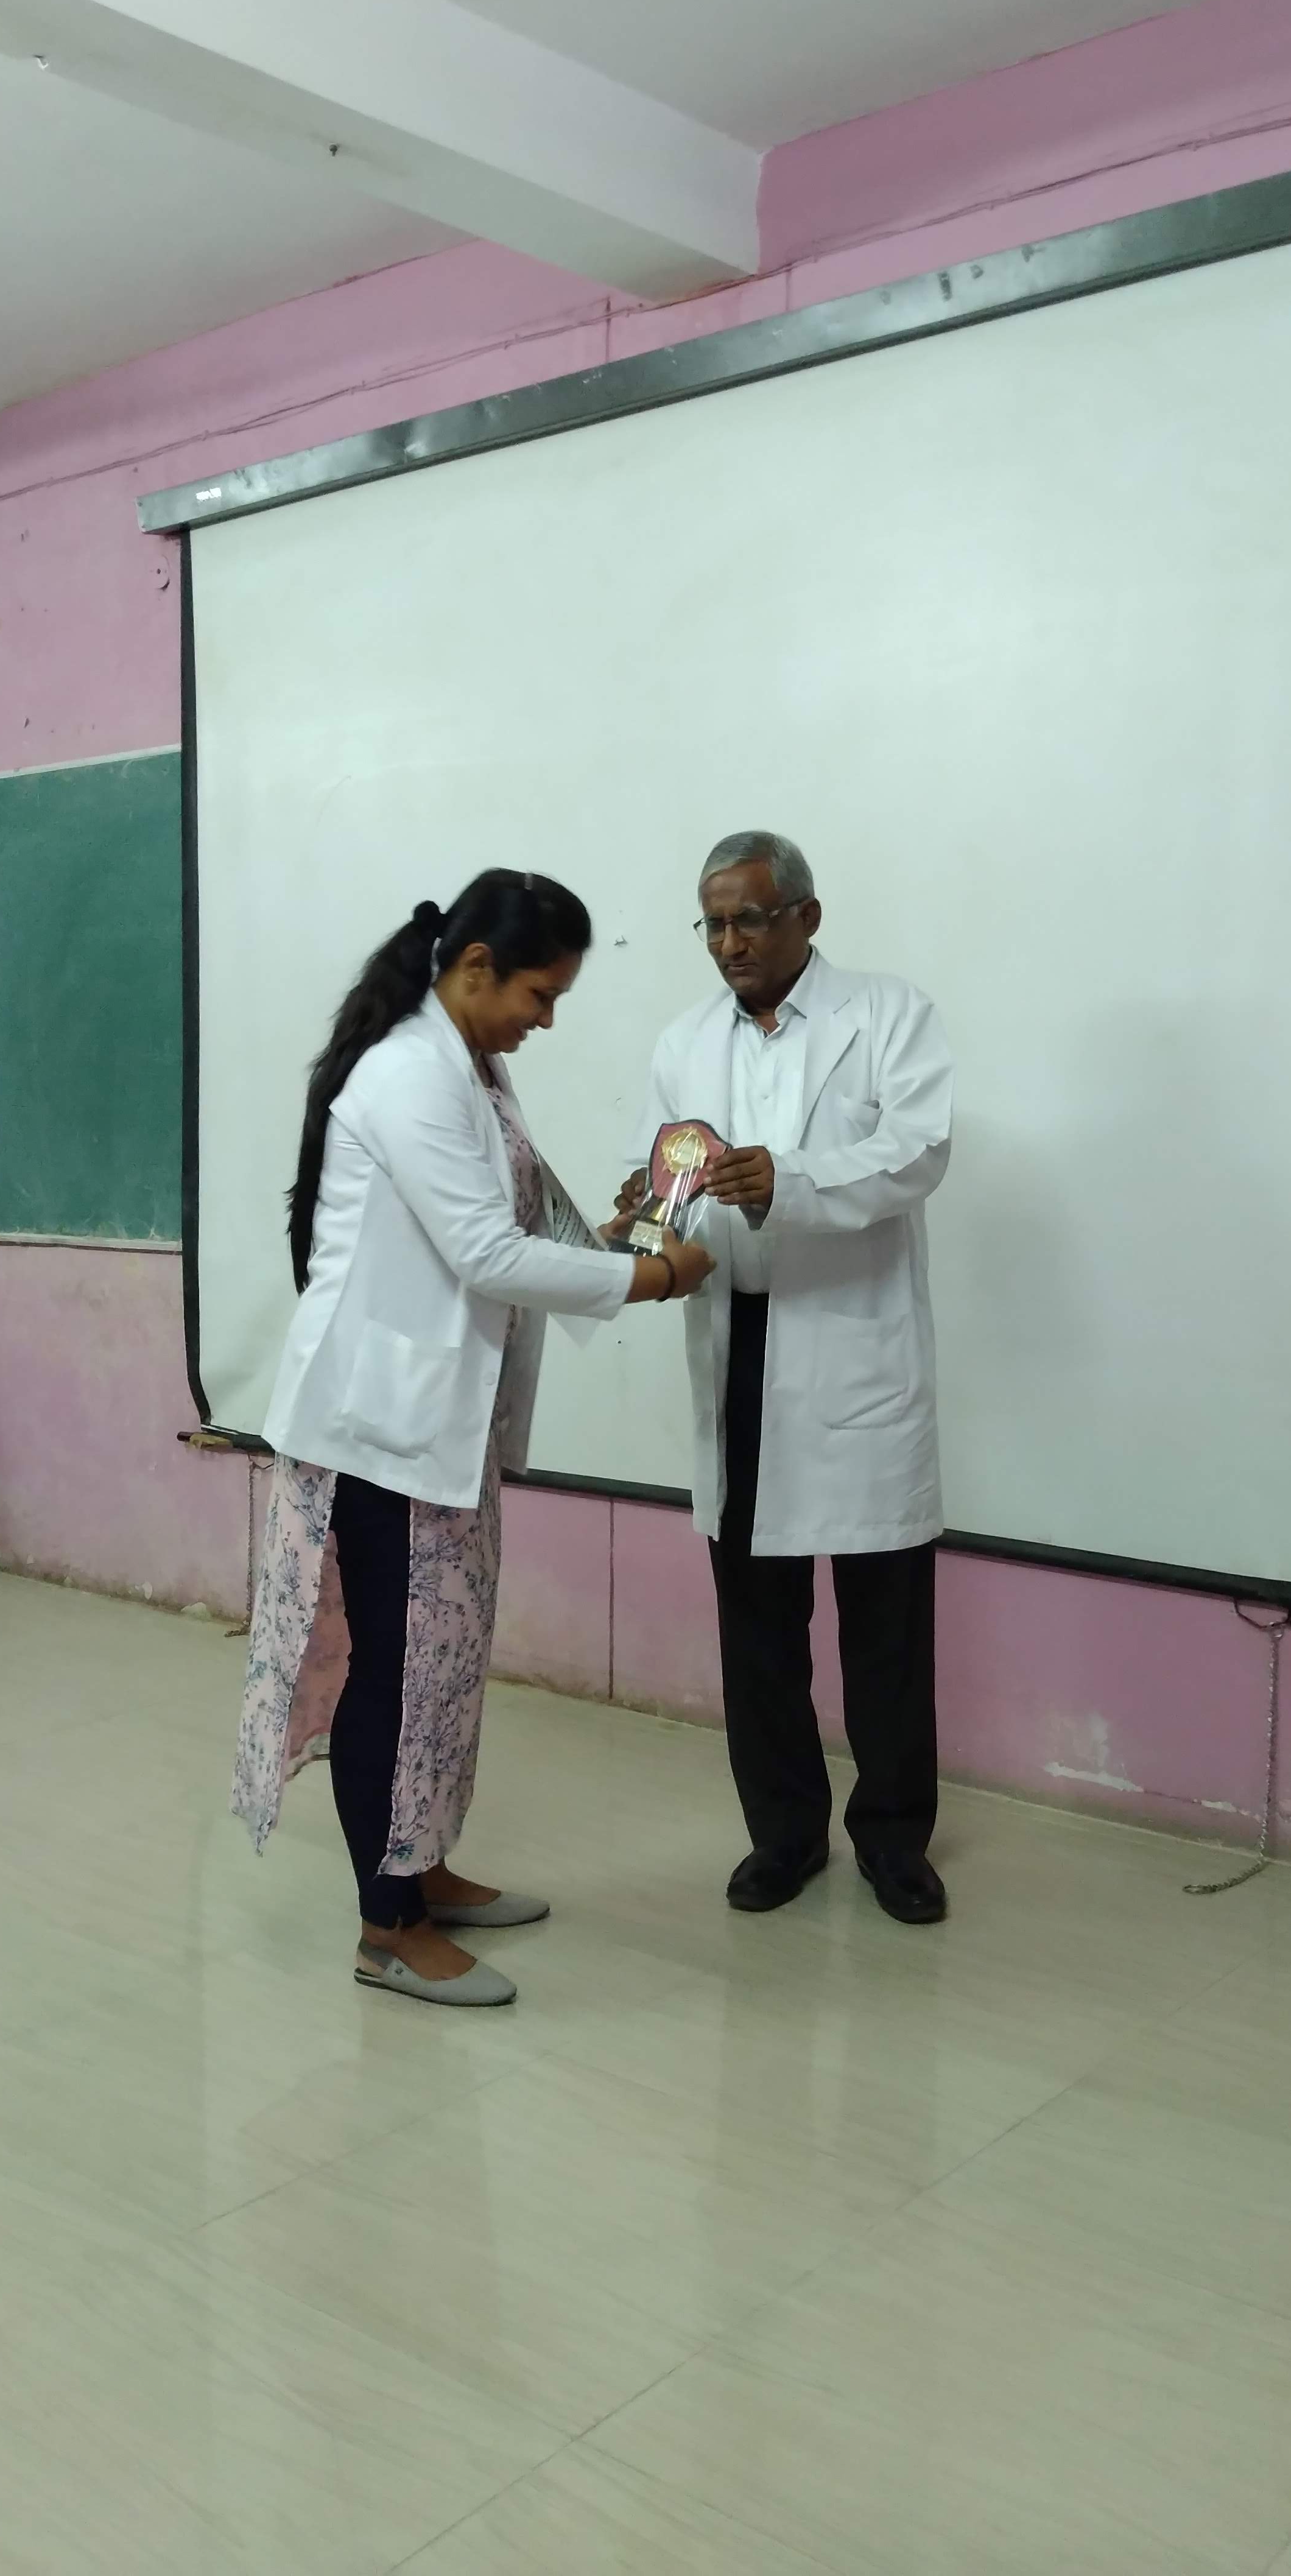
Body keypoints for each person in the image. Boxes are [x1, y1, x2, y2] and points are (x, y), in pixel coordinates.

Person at [233, 872, 712, 2007]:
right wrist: (648, 1279)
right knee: (394, 1675)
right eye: (541, 996)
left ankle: (424, 1866)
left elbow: (516, 1217)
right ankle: (386, 1927)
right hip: (376, 1432)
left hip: (438, 1427)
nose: (545, 1020)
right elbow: (487, 1255)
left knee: (442, 1665)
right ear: (477, 967)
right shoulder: (410, 1073)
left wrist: (624, 1231)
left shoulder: (474, 1068)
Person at [624, 831, 954, 1924]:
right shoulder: (683, 1042)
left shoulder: (889, 1015)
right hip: (738, 1340)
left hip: (852, 1343)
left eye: (751, 920)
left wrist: (790, 1180)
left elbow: (919, 1150)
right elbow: (663, 1165)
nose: (731, 943)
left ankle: (894, 1841)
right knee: (757, 1625)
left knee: (884, 1623)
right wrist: (645, 1203)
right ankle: (783, 1835)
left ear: (806, 918)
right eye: (714, 924)